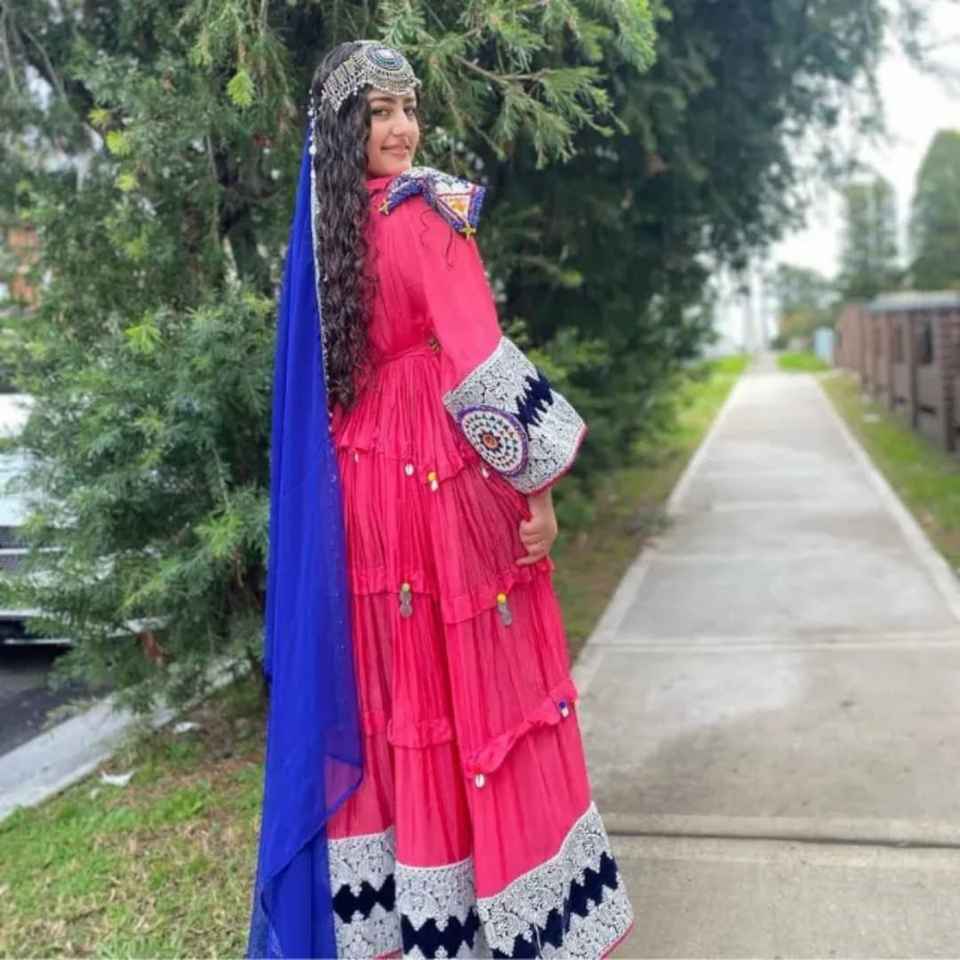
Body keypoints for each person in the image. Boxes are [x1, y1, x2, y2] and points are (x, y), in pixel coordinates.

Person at [247, 40, 633, 960]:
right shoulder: (427, 211)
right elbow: (478, 360)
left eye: (409, 108)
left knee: (400, 694)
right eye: (381, 111)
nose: (403, 128)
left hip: (363, 485)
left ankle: (420, 920)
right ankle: (518, 914)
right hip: (441, 470)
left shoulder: (326, 238)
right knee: (481, 688)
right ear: (347, 127)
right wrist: (538, 485)